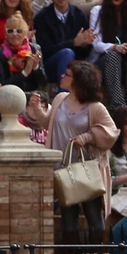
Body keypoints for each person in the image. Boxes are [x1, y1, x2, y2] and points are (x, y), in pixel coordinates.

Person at [48, 60, 116, 244]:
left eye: (67, 74)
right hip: (63, 168)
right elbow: (49, 123)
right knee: (67, 217)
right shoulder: (59, 99)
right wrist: (37, 111)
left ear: (78, 80)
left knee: (93, 215)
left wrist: (86, 137)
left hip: (87, 170)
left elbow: (111, 132)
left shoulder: (95, 107)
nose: (62, 76)